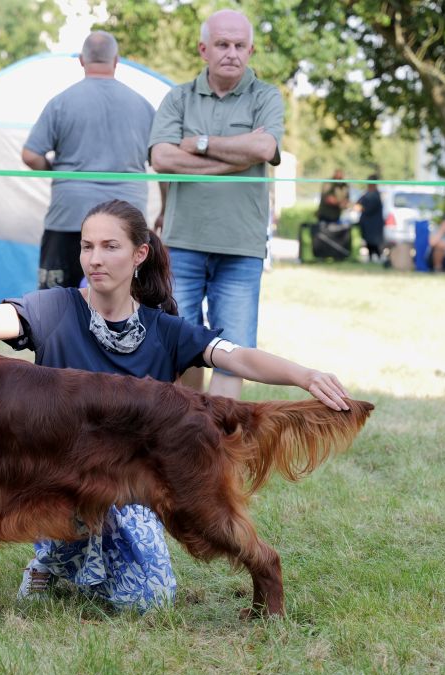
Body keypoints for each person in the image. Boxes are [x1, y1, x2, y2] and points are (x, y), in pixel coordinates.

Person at [0, 199, 351, 611]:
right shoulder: (53, 308)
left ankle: (262, 580)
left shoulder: (164, 330)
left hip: (130, 488)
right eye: (87, 247)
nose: (95, 259)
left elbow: (239, 357)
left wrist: (306, 377)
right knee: (67, 509)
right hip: (56, 485)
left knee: (149, 600)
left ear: (139, 254)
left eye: (110, 247)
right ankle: (47, 565)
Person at [148, 9, 284, 400]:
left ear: (251, 49)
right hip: (183, 242)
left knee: (233, 352)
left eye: (240, 45)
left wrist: (202, 144)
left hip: (241, 246)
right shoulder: (178, 98)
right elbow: (162, 158)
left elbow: (265, 147)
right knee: (181, 349)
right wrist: (237, 159)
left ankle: (220, 440)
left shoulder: (266, 96)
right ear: (203, 49)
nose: (232, 53)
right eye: (222, 45)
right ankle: (188, 433)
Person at [23, 30, 160, 289]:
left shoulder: (61, 102)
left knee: (57, 301)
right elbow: (163, 162)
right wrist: (164, 209)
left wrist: (55, 171)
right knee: (128, 298)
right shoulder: (143, 105)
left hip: (70, 214)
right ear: (116, 60)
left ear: (82, 60)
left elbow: (30, 155)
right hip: (127, 217)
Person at [355, 174, 384, 262]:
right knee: (369, 242)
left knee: (374, 243)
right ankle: (372, 258)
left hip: (374, 224)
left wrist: (361, 208)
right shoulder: (367, 193)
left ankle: (378, 258)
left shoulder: (375, 195)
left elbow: (368, 208)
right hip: (367, 223)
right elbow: (358, 202)